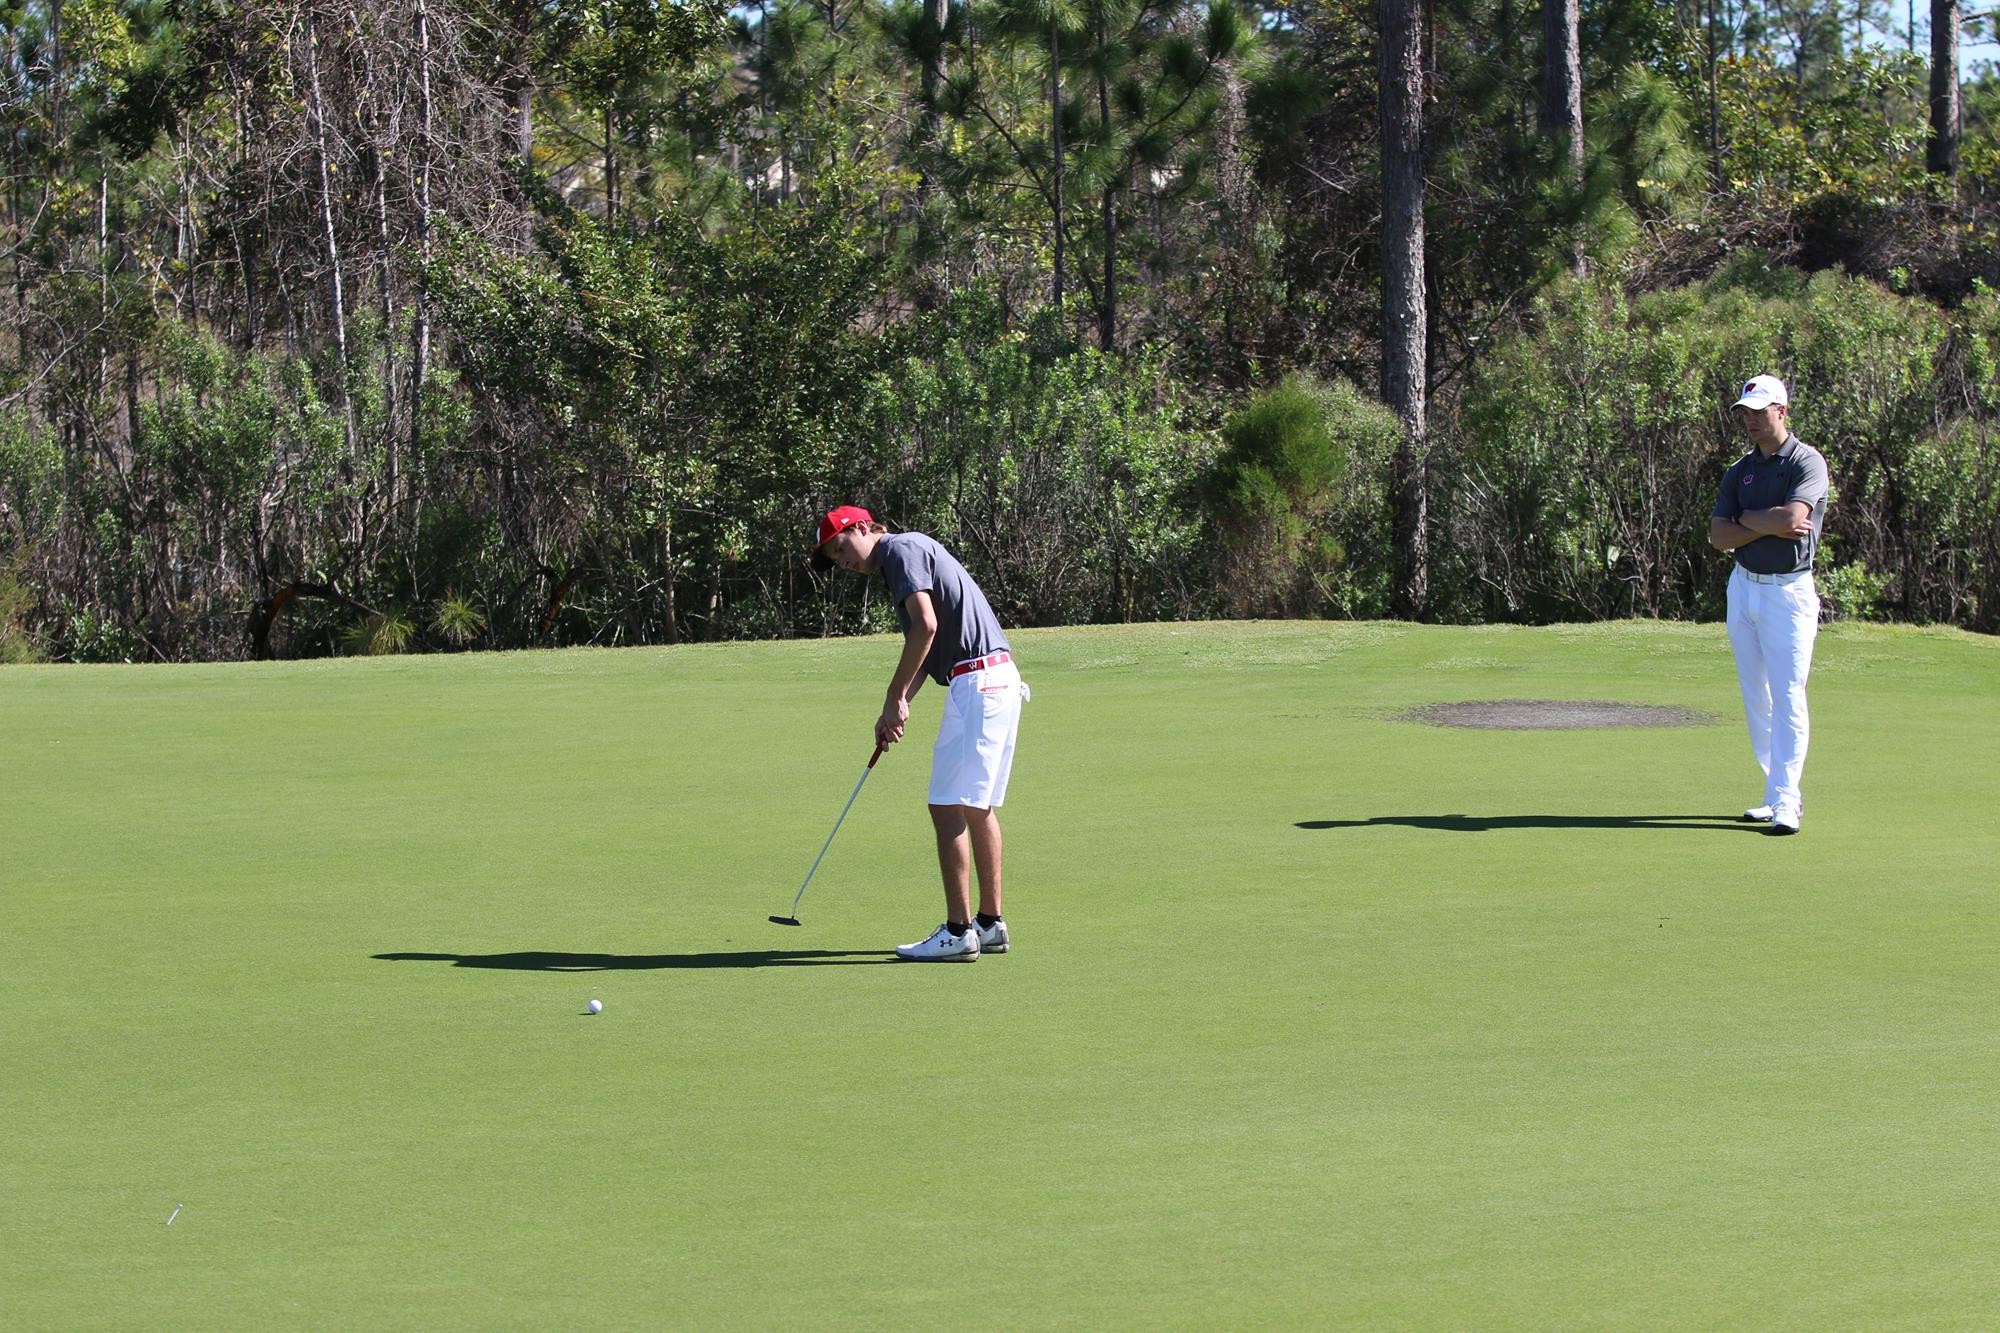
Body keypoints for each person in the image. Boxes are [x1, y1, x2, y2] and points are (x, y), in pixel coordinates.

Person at [812, 505, 1028, 960]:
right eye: (834, 558)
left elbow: (925, 627)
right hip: (992, 678)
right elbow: (929, 652)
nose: (843, 561)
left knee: (947, 805)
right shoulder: (906, 557)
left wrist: (894, 696)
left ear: (864, 528)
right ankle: (989, 925)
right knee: (974, 805)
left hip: (978, 683)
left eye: (842, 546)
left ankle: (958, 932)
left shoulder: (899, 550)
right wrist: (899, 705)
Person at [1707, 374, 1830, 836]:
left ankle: (1787, 799)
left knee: (1789, 694)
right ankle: (1772, 789)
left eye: (1761, 411)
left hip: (1788, 593)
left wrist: (1745, 521)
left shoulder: (1806, 462)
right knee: (1756, 695)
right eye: (1747, 412)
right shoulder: (1740, 470)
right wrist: (1761, 523)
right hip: (1744, 587)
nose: (1753, 420)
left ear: (1782, 410)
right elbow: (1719, 536)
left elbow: (1795, 518)